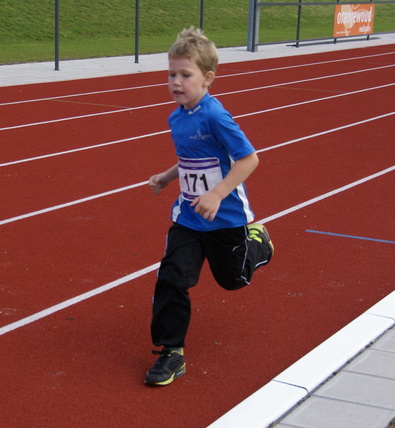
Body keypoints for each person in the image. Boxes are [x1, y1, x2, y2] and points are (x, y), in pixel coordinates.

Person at [144, 27, 274, 386]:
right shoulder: (176, 117)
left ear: (208, 79)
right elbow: (190, 160)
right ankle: (172, 352)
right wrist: (168, 177)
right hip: (188, 216)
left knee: (233, 280)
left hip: (224, 216)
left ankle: (258, 243)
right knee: (172, 277)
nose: (176, 82)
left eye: (185, 75)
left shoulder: (216, 116)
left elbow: (249, 160)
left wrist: (217, 194)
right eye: (171, 74)